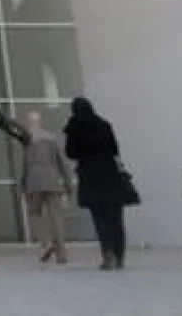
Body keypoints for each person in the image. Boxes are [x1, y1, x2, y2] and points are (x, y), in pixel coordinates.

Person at [63, 97, 133, 270]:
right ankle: (120, 255)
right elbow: (115, 148)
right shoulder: (104, 124)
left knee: (100, 218)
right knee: (116, 218)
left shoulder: (75, 126)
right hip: (111, 174)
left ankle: (108, 254)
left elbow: (71, 152)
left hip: (90, 175)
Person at [21, 110, 72, 265]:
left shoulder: (27, 140)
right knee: (56, 216)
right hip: (52, 179)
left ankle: (46, 243)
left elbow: (24, 165)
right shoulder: (51, 138)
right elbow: (62, 163)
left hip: (34, 181)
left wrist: (22, 185)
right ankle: (61, 252)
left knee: (36, 214)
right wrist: (68, 182)